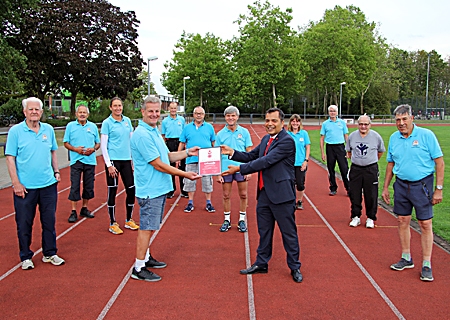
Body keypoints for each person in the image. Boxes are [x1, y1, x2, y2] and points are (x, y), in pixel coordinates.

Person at [221, 108, 303, 283]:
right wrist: (232, 153)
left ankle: (295, 266)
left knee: (288, 233)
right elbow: (252, 155)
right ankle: (261, 263)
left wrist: (239, 169)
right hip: (265, 194)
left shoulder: (287, 141)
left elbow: (266, 161)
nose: (269, 124)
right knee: (264, 231)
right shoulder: (266, 139)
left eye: (274, 121)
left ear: (282, 122)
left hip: (282, 195)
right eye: (267, 120)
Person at [130, 96, 200, 282]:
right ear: (143, 111)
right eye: (150, 111)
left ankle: (146, 257)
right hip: (150, 189)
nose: (154, 114)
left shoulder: (154, 131)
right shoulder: (142, 135)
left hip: (158, 188)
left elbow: (167, 156)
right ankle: (138, 267)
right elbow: (158, 164)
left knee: (151, 226)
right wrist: (185, 174)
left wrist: (187, 152)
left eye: (157, 111)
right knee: (146, 227)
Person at [382, 104, 444, 282]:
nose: (401, 123)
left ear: (411, 118)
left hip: (422, 185)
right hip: (401, 185)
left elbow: (439, 163)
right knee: (402, 220)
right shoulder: (394, 138)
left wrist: (438, 190)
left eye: (404, 119)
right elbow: (390, 164)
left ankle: (426, 264)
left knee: (425, 223)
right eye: (398, 120)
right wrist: (386, 187)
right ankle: (406, 257)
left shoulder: (426, 136)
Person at [5, 97, 65, 270]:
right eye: (30, 109)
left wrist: (56, 172)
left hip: (47, 185)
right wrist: (16, 183)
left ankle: (50, 253)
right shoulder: (16, 131)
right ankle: (26, 256)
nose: (34, 112)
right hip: (25, 188)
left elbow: (53, 153)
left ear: (41, 112)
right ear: (25, 112)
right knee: (24, 223)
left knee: (49, 221)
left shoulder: (48, 130)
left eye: (37, 109)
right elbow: (10, 159)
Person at [101, 97, 138, 235]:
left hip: (126, 161)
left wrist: (134, 160)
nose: (118, 108)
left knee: (131, 189)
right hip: (113, 162)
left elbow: (132, 141)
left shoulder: (127, 121)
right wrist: (109, 165)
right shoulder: (107, 123)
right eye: (115, 106)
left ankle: (129, 219)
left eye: (120, 106)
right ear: (110, 107)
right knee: (113, 191)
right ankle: (112, 222)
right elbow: (103, 146)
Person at [215, 106, 253, 232]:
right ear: (225, 117)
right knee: (226, 195)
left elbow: (249, 151)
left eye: (233, 115)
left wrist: (249, 169)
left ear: (237, 117)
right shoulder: (220, 134)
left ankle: (242, 219)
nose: (230, 118)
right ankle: (227, 220)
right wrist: (218, 173)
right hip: (225, 169)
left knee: (243, 194)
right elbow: (216, 154)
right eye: (228, 116)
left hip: (241, 168)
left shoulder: (245, 132)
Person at [346, 115, 385, 228]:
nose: (363, 126)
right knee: (354, 193)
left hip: (370, 169)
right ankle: (356, 216)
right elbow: (349, 152)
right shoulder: (352, 136)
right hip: (356, 169)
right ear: (357, 124)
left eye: (366, 124)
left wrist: (371, 160)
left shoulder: (376, 137)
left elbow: (380, 151)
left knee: (371, 194)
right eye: (361, 124)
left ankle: (370, 217)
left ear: (370, 125)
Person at [64, 105, 100, 223]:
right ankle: (73, 211)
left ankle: (84, 208)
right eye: (80, 112)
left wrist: (93, 149)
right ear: (76, 114)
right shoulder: (70, 126)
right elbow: (66, 143)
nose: (82, 114)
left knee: (88, 185)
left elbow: (98, 143)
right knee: (75, 185)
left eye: (84, 112)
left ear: (88, 115)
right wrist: (75, 149)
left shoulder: (93, 126)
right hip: (76, 160)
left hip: (90, 161)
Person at [178, 106, 216, 213]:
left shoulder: (209, 127)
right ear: (193, 115)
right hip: (191, 159)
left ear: (204, 115)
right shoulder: (187, 128)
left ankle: (208, 203)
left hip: (206, 160)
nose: (199, 115)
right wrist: (178, 156)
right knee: (190, 182)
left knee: (207, 182)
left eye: (201, 113)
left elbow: (214, 142)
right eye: (196, 113)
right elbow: (182, 142)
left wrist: (217, 156)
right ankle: (190, 203)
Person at [320, 105, 350, 196]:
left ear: (337, 112)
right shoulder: (325, 124)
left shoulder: (342, 123)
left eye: (334, 111)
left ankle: (349, 188)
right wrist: (322, 153)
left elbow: (346, 136)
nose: (332, 113)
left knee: (344, 169)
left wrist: (348, 150)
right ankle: (333, 188)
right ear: (328, 112)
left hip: (340, 147)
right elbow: (322, 138)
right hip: (330, 147)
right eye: (331, 111)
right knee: (331, 169)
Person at [161, 101, 188, 199]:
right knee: (170, 169)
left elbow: (185, 133)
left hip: (180, 143)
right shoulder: (165, 121)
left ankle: (184, 190)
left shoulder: (181, 119)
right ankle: (171, 190)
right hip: (170, 143)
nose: (173, 110)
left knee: (182, 167)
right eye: (171, 108)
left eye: (174, 108)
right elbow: (163, 135)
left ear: (177, 109)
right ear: (168, 109)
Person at [287, 114, 310, 210]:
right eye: (293, 121)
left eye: (297, 121)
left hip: (300, 163)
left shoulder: (304, 133)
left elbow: (307, 147)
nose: (295, 123)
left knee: (300, 184)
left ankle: (299, 201)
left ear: (299, 123)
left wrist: (306, 160)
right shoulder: (287, 134)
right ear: (290, 122)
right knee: (289, 183)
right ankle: (291, 200)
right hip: (289, 163)